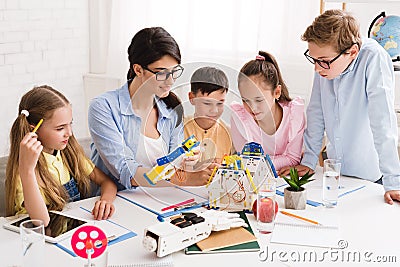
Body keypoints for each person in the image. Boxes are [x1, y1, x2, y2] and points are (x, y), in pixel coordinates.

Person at [280, 9, 400, 204]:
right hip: (336, 174)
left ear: (351, 52)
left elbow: (383, 123)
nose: (317, 68)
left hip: (370, 175)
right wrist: (309, 160)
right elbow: (317, 111)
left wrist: (394, 182)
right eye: (314, 59)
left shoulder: (374, 58)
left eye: (323, 62)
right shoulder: (325, 66)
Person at [89, 27, 214, 190]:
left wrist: (188, 161)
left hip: (159, 199)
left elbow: (172, 166)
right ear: (138, 69)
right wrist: (185, 179)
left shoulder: (171, 109)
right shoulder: (104, 107)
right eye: (161, 73)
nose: (170, 81)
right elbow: (127, 172)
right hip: (116, 203)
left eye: (174, 72)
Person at [5, 86, 117, 226]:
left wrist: (105, 201)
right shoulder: (23, 170)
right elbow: (41, 222)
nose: (69, 133)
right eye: (60, 128)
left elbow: (107, 182)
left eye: (70, 124)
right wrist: (27, 171)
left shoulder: (68, 153)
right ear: (33, 129)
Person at [230, 51, 306, 172]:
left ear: (277, 92)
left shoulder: (294, 116)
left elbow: (293, 159)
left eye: (259, 100)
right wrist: (280, 161)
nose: (252, 108)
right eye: (246, 100)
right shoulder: (240, 118)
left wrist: (262, 164)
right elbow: (247, 162)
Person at [184, 67, 233, 165]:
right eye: (207, 103)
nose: (214, 110)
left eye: (220, 103)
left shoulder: (230, 134)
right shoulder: (178, 129)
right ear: (192, 98)